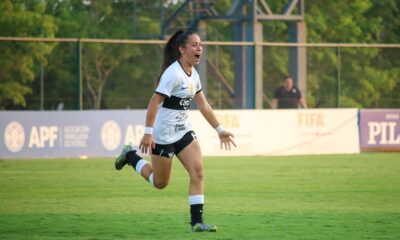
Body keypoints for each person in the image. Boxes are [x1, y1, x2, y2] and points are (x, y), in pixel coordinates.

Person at [114, 29, 236, 232]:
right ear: (181, 49)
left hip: (183, 132)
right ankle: (130, 156)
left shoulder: (193, 75)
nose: (200, 48)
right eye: (195, 45)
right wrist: (147, 132)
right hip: (163, 135)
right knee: (160, 183)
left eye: (200, 44)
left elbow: (204, 106)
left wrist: (219, 129)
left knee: (198, 172)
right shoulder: (172, 74)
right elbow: (154, 102)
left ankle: (197, 222)